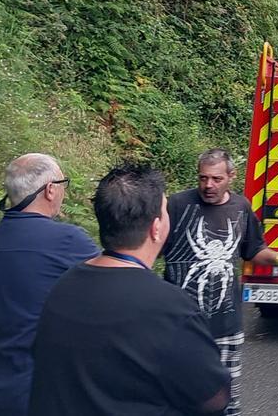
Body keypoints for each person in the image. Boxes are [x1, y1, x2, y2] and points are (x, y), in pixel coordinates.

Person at [28, 163, 231, 415]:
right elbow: (214, 398)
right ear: (156, 228)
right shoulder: (171, 308)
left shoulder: (62, 287)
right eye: (165, 212)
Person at [162, 148, 278, 416]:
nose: (208, 185)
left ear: (231, 176)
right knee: (177, 397)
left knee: (227, 402)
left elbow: (253, 249)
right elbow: (151, 245)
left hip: (226, 326)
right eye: (203, 178)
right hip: (181, 326)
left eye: (216, 179)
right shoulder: (176, 205)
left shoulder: (240, 207)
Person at [0, 153, 99, 416]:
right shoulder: (68, 240)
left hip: (1, 385)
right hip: (48, 388)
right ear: (50, 190)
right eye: (63, 184)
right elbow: (119, 284)